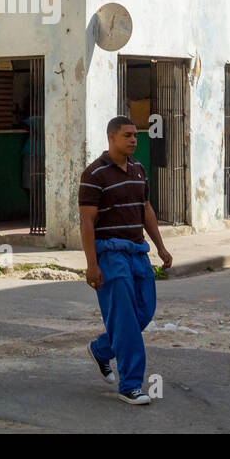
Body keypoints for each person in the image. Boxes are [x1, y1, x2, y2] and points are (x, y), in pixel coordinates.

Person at [79, 116, 173, 405]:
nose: (134, 140)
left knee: (145, 311)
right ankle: (130, 386)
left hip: (137, 251)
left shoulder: (138, 170)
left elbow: (146, 210)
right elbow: (86, 222)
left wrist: (160, 246)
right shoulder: (94, 174)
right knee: (127, 322)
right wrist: (92, 264)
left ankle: (102, 349)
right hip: (110, 254)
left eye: (135, 135)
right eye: (127, 135)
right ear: (111, 138)